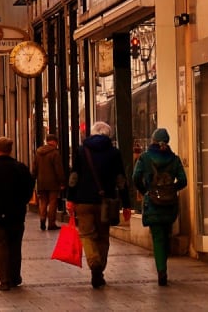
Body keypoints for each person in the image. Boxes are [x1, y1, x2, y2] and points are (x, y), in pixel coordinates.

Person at [66, 121, 132, 289]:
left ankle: (94, 263)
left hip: (83, 201)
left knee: (87, 235)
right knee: (103, 237)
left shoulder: (81, 151)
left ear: (93, 133)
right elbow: (121, 180)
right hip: (106, 203)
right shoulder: (114, 153)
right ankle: (99, 270)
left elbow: (74, 176)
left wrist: (70, 198)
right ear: (108, 135)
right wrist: (126, 204)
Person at [0, 137, 35, 291]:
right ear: (10, 149)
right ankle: (15, 276)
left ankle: (4, 279)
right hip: (16, 213)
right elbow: (29, 187)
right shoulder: (20, 168)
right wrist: (23, 201)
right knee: (15, 245)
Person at [132, 128, 188, 286]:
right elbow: (183, 181)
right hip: (169, 203)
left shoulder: (144, 158)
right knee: (166, 233)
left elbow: (135, 177)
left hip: (153, 203)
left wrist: (145, 191)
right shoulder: (174, 159)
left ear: (153, 141)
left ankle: (161, 271)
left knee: (157, 237)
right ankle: (163, 266)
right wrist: (171, 189)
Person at [32, 134, 66, 231]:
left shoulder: (38, 153)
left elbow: (34, 168)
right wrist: (62, 182)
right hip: (53, 183)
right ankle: (51, 223)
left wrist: (34, 179)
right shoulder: (55, 153)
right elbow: (59, 169)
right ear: (55, 142)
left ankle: (42, 220)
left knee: (43, 202)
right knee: (52, 203)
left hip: (41, 182)